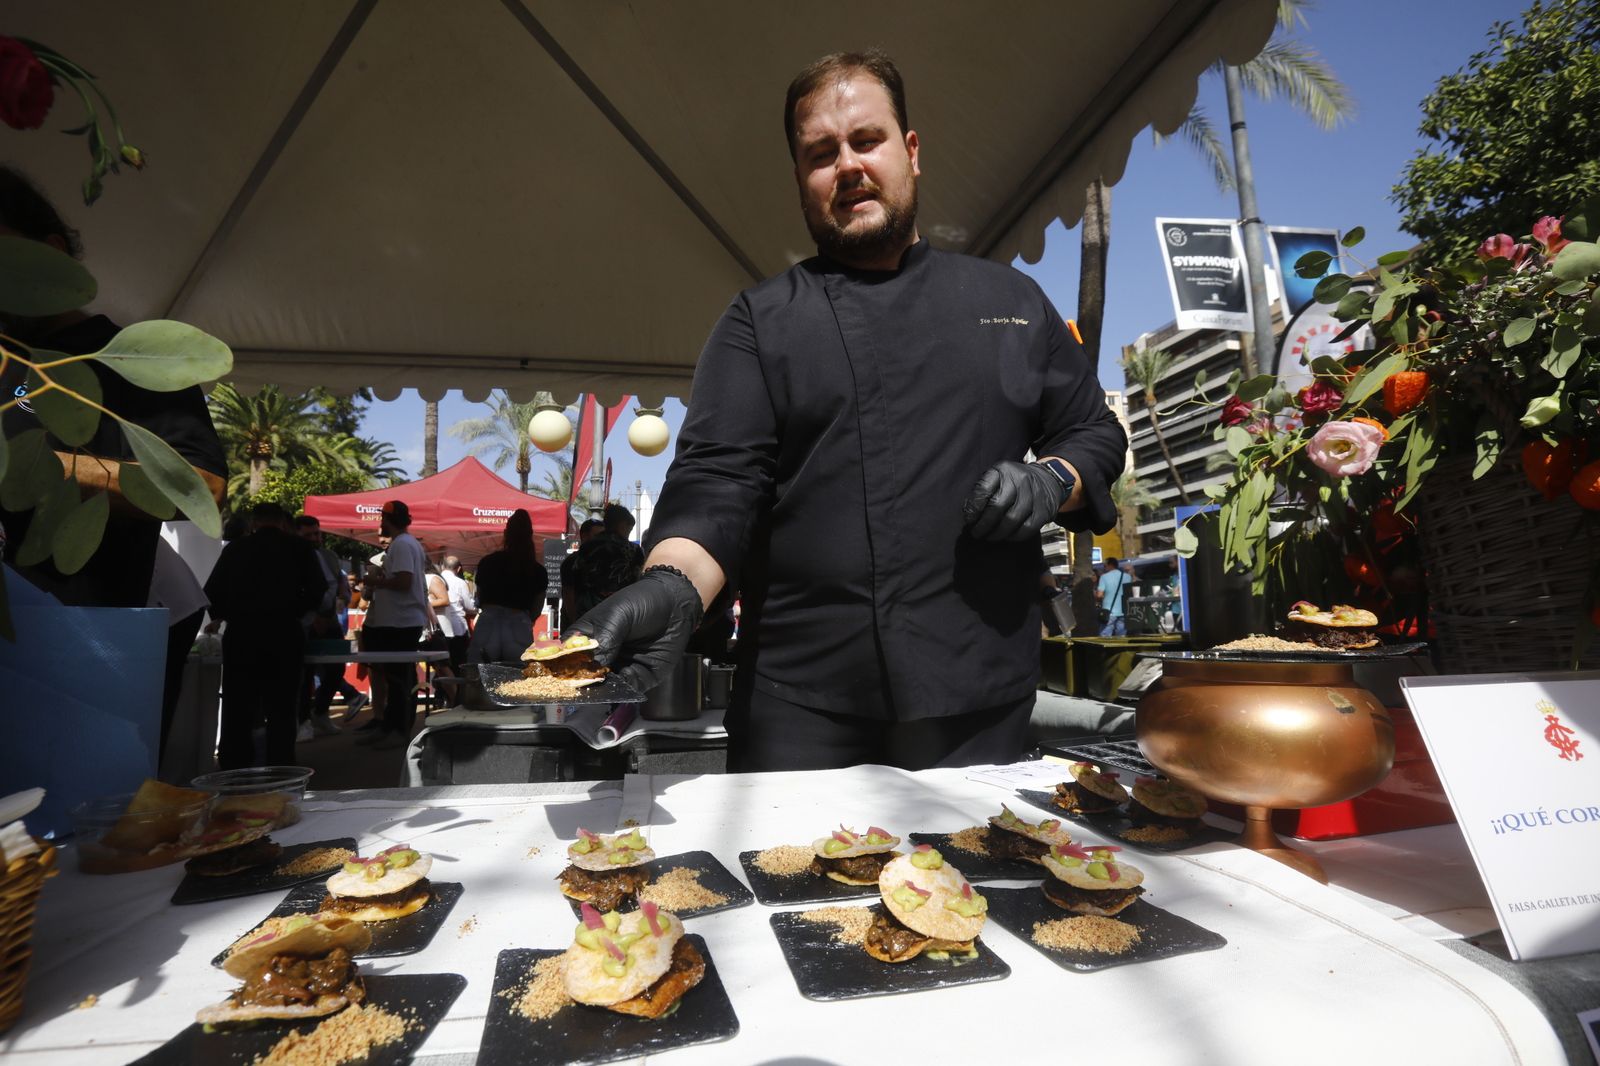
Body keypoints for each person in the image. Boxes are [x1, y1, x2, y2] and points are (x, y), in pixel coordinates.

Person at [570, 50, 1125, 772]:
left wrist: (1052, 480)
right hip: (799, 703)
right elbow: (718, 482)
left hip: (981, 690)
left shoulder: (1011, 301)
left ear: (911, 152)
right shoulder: (759, 321)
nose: (849, 166)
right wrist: (672, 585)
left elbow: (1093, 430)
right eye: (821, 154)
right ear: (801, 179)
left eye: (867, 140)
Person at [0, 167, 229, 763]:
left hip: (87, 647)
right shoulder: (10, 366)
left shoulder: (130, 363)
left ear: (51, 254)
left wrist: (39, 468)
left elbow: (201, 487)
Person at [203, 502, 328, 768]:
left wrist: (227, 614)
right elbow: (318, 589)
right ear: (282, 522)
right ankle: (281, 769)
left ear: (253, 522)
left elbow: (212, 590)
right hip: (284, 633)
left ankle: (235, 769)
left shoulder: (235, 549)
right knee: (282, 707)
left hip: (242, 635)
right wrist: (296, 611)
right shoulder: (300, 548)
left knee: (239, 707)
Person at [359, 501, 430, 749]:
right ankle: (392, 727)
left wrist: (376, 581)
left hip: (400, 622)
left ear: (387, 519)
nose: (380, 522)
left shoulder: (401, 544)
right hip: (401, 621)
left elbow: (403, 581)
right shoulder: (407, 543)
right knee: (398, 678)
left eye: (382, 518)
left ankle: (398, 731)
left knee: (399, 680)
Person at [295, 514, 365, 734]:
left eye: (316, 533)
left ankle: (320, 712)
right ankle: (303, 721)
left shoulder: (329, 555)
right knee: (305, 673)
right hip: (305, 622)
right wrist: (315, 615)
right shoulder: (293, 556)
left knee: (337, 667)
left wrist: (341, 599)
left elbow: (341, 584)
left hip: (331, 620)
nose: (314, 538)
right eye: (307, 535)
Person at [469, 509, 548, 663]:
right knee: (516, 675)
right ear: (530, 536)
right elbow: (537, 608)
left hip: (488, 624)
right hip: (519, 626)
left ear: (506, 533)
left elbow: (480, 597)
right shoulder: (537, 570)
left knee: (479, 674)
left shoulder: (488, 562)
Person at [567, 504, 645, 620]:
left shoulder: (586, 548)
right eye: (629, 530)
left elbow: (574, 581)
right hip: (621, 613)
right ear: (622, 525)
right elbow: (639, 582)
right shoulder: (633, 550)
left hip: (588, 613)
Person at [559, 518, 604, 630]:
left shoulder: (606, 562)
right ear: (584, 536)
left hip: (599, 622)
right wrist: (575, 623)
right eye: (597, 535)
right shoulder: (572, 562)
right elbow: (568, 594)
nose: (602, 540)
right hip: (577, 623)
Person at [438, 555, 476, 672]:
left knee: (442, 666)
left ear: (443, 566)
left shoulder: (435, 579)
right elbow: (469, 607)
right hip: (457, 628)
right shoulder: (460, 582)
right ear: (458, 569)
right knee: (458, 664)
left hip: (439, 629)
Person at [1096, 558, 1131, 637]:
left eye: (1105, 566)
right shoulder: (1127, 577)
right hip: (1123, 610)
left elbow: (1099, 595)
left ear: (1110, 565)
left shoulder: (1104, 577)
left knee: (1105, 636)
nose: (1104, 568)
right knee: (1121, 636)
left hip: (1108, 612)